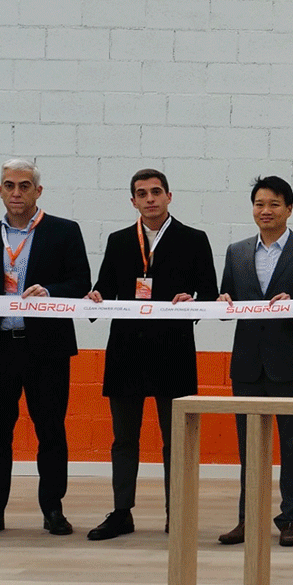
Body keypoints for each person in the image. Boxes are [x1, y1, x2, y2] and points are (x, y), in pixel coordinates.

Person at [0, 159, 90, 539]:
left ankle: (53, 511)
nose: (16, 193)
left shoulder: (63, 231)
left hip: (47, 350)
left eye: (25, 186)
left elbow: (81, 282)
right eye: (9, 185)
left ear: (38, 191)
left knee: (51, 432)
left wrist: (50, 291)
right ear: (0, 190)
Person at [84, 168, 218, 541]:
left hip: (171, 351)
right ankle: (121, 512)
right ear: (133, 201)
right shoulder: (118, 240)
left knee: (174, 439)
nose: (150, 199)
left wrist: (192, 300)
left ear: (169, 196)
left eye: (156, 192)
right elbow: (103, 289)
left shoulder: (194, 239)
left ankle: (177, 514)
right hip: (125, 351)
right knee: (124, 438)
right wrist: (94, 297)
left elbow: (210, 292)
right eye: (142, 194)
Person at [217, 175, 293, 548]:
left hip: (291, 362)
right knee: (249, 446)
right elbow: (226, 299)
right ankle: (247, 518)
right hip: (247, 362)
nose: (265, 211)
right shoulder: (236, 251)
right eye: (259, 204)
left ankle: (291, 519)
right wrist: (221, 304)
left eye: (274, 204)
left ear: (289, 209)